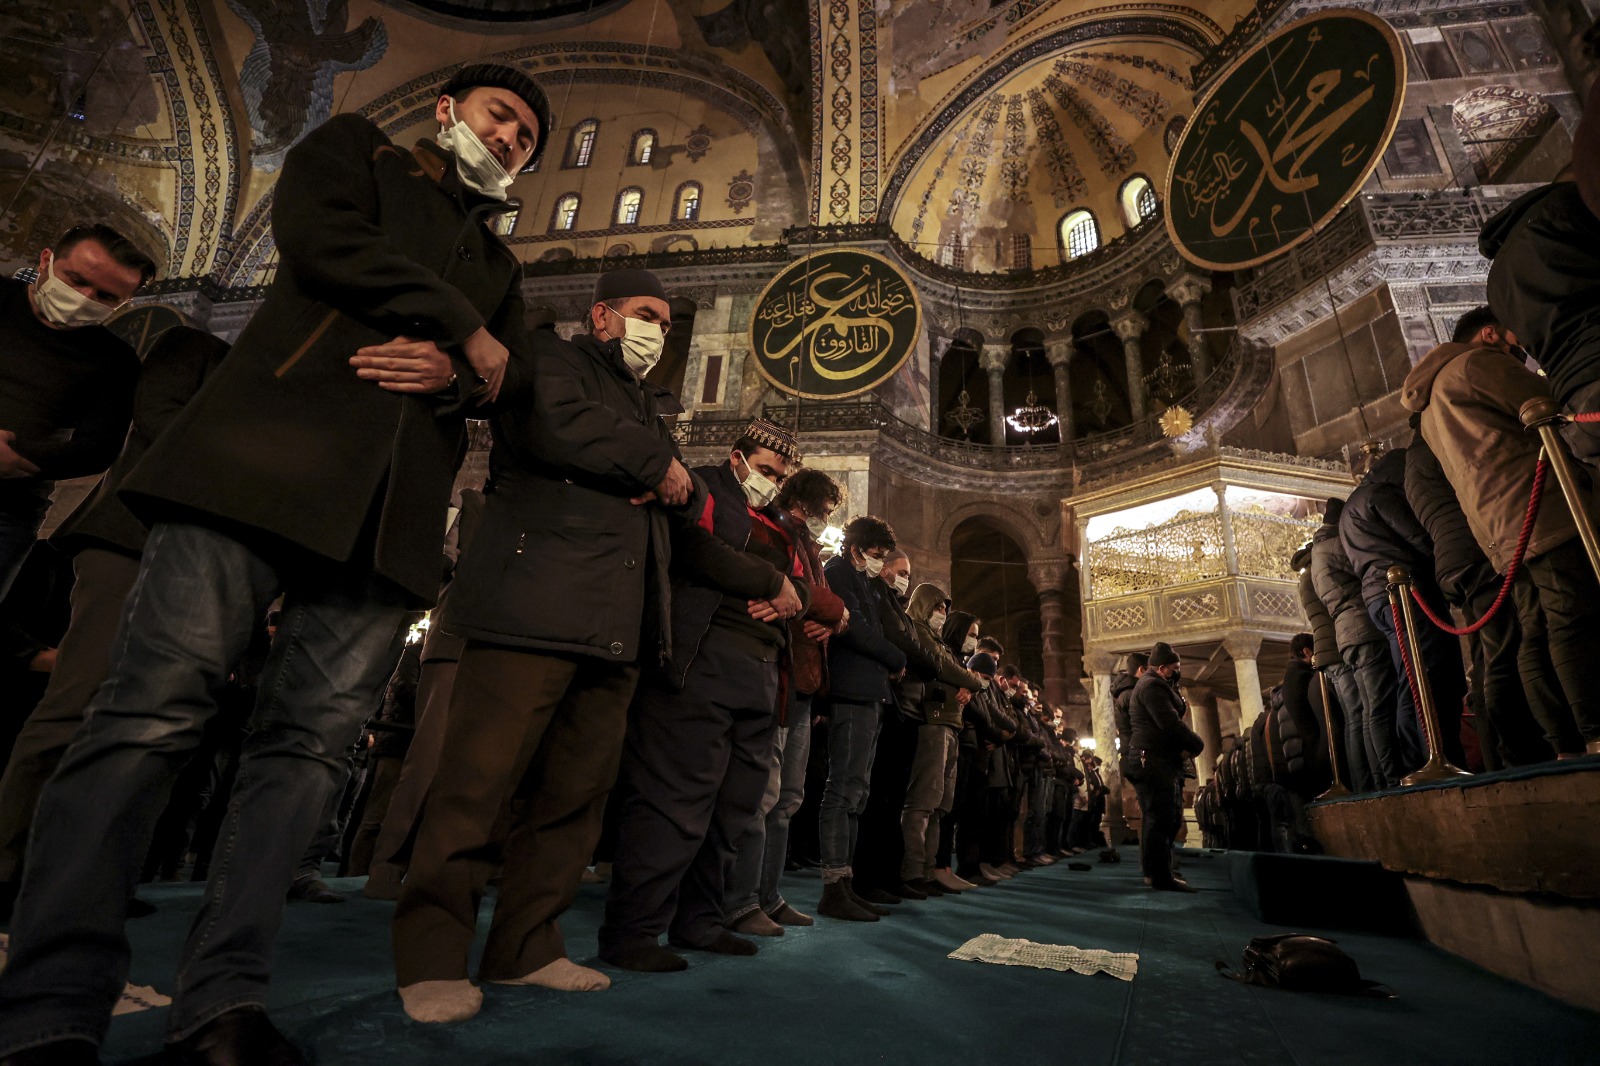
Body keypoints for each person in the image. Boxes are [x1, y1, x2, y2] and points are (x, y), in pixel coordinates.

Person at [0, 63, 552, 1066]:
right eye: (500, 116)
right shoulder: (358, 151)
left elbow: (506, 384)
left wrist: (454, 376)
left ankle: (222, 1003)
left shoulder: (502, 265)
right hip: (254, 469)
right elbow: (322, 239)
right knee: (146, 718)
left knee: (304, 757)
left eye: (527, 138)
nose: (511, 138)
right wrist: (462, 329)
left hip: (384, 518)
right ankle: (50, 1007)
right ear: (448, 111)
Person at [392, 267, 695, 1022]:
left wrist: (658, 469)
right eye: (647, 313)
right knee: (476, 789)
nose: (660, 330)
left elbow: (674, 494)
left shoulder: (645, 404)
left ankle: (526, 948)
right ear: (603, 316)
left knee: (572, 800)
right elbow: (559, 423)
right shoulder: (548, 356)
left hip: (613, 627)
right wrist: (654, 464)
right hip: (531, 608)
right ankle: (431, 958)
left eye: (667, 321)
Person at [0, 324, 226, 916]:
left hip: (214, 561)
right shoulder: (195, 346)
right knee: (76, 704)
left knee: (156, 727)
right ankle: (8, 867)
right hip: (133, 538)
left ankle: (92, 880)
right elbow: (162, 422)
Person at [599, 421, 808, 972]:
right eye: (765, 471)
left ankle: (700, 920)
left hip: (761, 673)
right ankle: (632, 931)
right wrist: (771, 583)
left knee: (733, 808)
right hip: (702, 659)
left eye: (780, 477)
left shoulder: (780, 522)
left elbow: (805, 585)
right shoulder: (703, 488)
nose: (772, 483)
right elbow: (692, 546)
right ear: (736, 458)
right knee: (674, 802)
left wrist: (794, 594)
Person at [1401, 308, 1600, 754]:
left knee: (1536, 630)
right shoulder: (1476, 365)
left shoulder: (1430, 406)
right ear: (1491, 334)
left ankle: (1564, 743)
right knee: (1574, 617)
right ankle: (1595, 731)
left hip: (1499, 530)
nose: (1522, 352)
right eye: (1517, 343)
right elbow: (1548, 405)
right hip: (1541, 509)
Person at [1402, 397, 1561, 766]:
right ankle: (1521, 750)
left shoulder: (1411, 464)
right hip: (1475, 550)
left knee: (1487, 660)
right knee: (1506, 653)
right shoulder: (1436, 443)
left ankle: (1496, 755)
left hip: (1451, 560)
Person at [722, 468, 847, 937]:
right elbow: (804, 592)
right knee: (762, 794)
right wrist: (836, 610)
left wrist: (834, 619)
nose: (827, 518)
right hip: (778, 674)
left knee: (788, 798)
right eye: (825, 509)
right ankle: (740, 900)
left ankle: (769, 896)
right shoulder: (775, 530)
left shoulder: (811, 545)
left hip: (805, 681)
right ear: (806, 503)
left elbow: (822, 603)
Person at [0, 223, 152, 603]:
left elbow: (99, 447)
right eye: (77, 280)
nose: (84, 298)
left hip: (10, 510)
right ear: (46, 260)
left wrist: (18, 458)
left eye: (105, 296)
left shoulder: (117, 361)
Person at [1339, 450, 1467, 778]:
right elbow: (1416, 535)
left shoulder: (1350, 508)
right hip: (1406, 590)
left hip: (1380, 597)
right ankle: (1437, 758)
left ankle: (1418, 762)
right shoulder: (1379, 494)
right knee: (1428, 675)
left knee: (1409, 679)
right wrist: (1447, 555)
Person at [814, 515, 905, 921]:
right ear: (855, 549)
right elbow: (858, 630)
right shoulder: (838, 571)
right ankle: (833, 887)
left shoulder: (863, 580)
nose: (879, 562)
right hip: (851, 691)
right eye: (876, 554)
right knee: (842, 789)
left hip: (870, 692)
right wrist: (895, 658)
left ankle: (846, 884)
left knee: (857, 792)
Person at [897, 583, 983, 897]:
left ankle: (927, 870)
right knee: (922, 803)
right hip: (931, 722)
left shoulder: (938, 641)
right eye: (937, 607)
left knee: (939, 807)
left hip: (950, 725)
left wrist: (967, 685)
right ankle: (911, 871)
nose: (942, 613)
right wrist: (972, 682)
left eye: (945, 609)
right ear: (923, 605)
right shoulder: (917, 631)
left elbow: (952, 671)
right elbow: (942, 668)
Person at [1127, 642, 1202, 892]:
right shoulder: (1151, 686)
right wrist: (1196, 744)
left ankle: (1157, 871)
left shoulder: (1156, 684)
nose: (1177, 672)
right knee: (1161, 818)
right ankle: (1160, 876)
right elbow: (1169, 723)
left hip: (1157, 759)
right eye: (1174, 668)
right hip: (1152, 760)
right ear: (1161, 668)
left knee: (1162, 817)